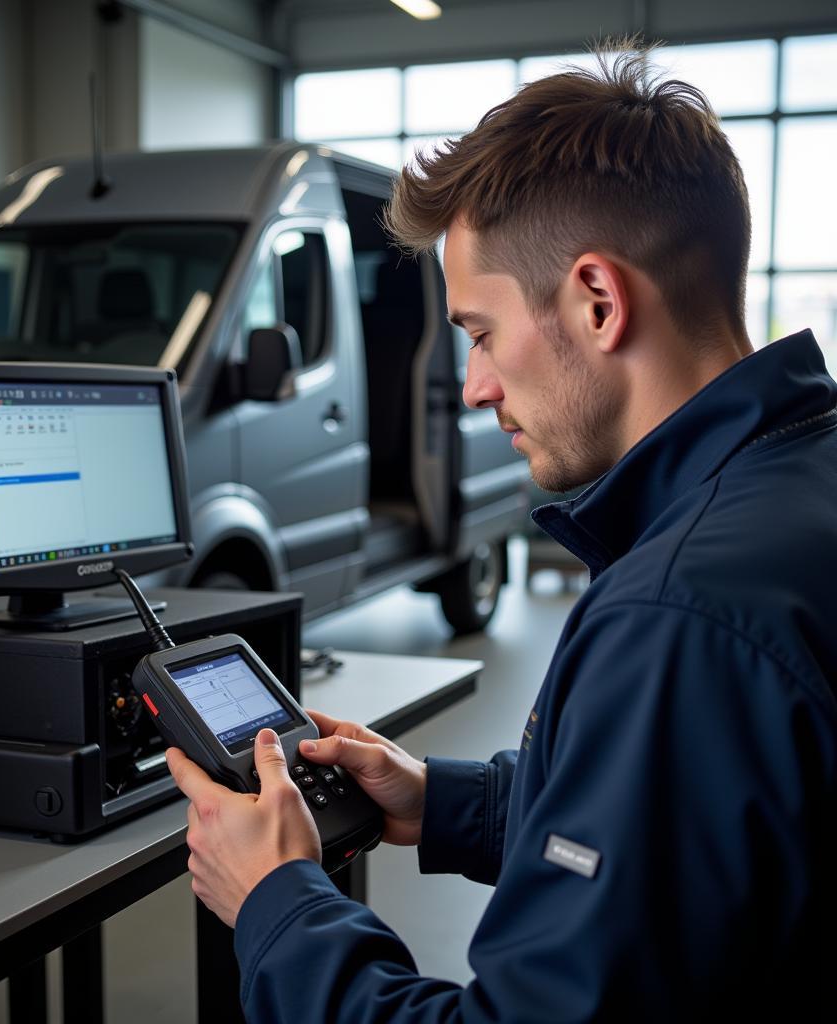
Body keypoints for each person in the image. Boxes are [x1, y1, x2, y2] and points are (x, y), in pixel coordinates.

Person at [167, 44, 837, 1021]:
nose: (474, 386)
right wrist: (441, 800)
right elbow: (696, 827)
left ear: (598, 302)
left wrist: (275, 901)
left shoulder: (681, 616)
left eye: (480, 333)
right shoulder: (795, 481)